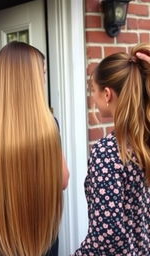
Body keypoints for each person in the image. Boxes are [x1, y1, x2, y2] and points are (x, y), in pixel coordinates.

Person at [0, 41, 69, 256]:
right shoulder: (47, 125)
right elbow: (62, 180)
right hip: (37, 237)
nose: (43, 80)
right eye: (42, 73)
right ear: (32, 79)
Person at [73, 43, 150, 255]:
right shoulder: (144, 142)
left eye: (93, 91)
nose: (93, 99)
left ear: (107, 94)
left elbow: (107, 235)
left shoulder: (107, 152)